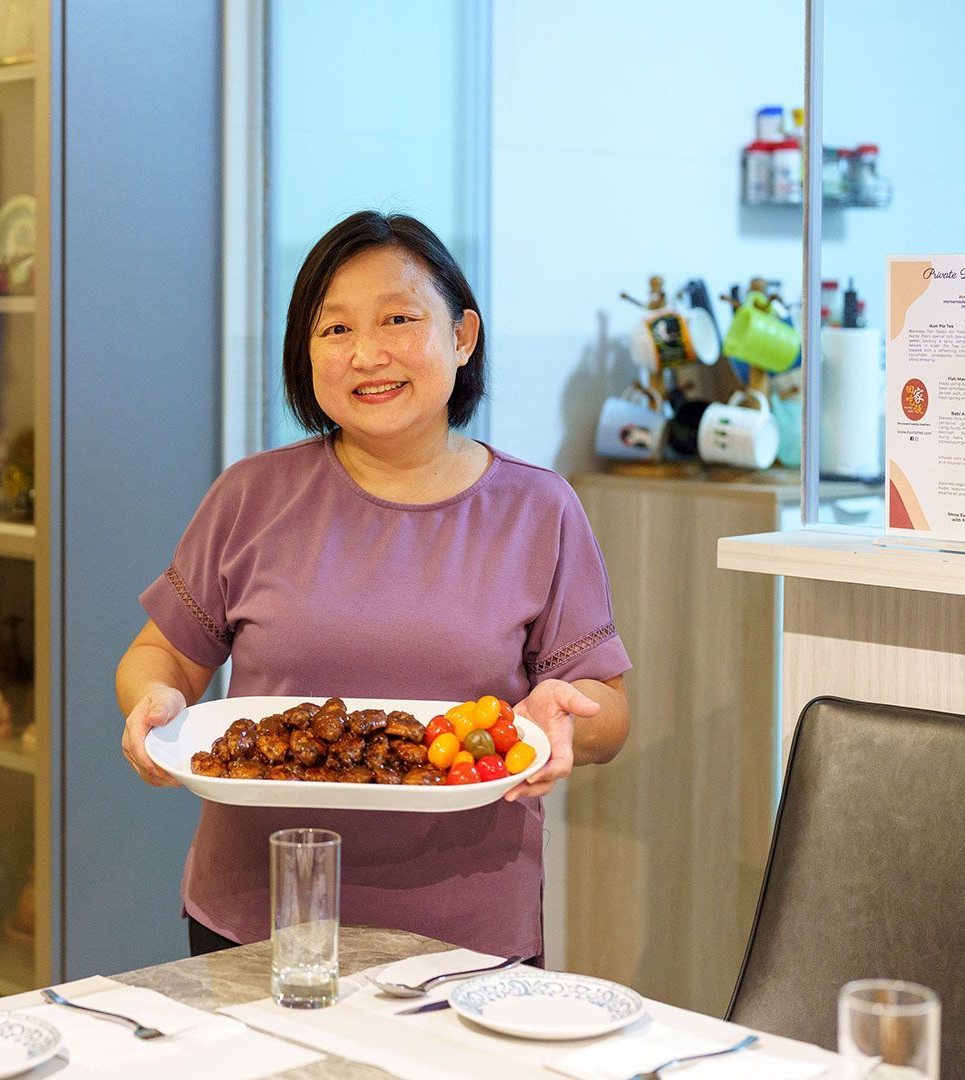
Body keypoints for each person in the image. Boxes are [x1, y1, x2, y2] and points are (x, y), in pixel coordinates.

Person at [116, 211, 631, 960]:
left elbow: (608, 715)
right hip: (259, 919)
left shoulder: (537, 507)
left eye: (399, 318)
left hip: (466, 934)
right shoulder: (251, 495)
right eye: (334, 330)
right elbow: (159, 655)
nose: (367, 354)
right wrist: (155, 702)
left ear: (461, 337)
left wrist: (559, 723)